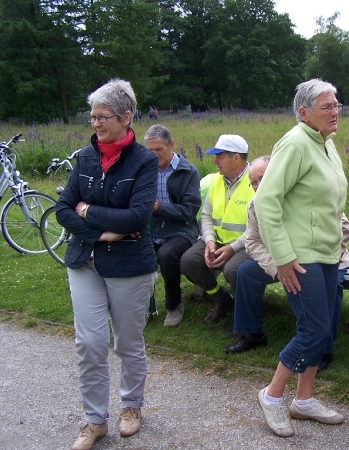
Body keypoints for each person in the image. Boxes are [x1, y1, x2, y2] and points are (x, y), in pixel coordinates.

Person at [55, 78, 158, 450]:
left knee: (128, 342)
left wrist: (89, 212)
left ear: (126, 116)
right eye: (93, 117)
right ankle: (94, 420)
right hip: (85, 260)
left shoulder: (145, 161)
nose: (96, 124)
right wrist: (100, 231)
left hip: (131, 265)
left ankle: (131, 406)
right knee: (90, 342)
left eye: (103, 117)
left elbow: (136, 218)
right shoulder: (84, 157)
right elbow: (64, 208)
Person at [254, 79, 347, 438]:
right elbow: (266, 201)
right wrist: (282, 256)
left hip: (326, 253)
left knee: (324, 330)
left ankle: (304, 400)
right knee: (313, 331)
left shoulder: (326, 143)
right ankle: (272, 395)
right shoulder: (294, 143)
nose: (335, 111)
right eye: (327, 106)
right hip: (299, 257)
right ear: (304, 112)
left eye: (337, 104)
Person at [223, 156, 349, 373]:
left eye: (262, 179)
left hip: (325, 259)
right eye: (253, 182)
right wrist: (278, 267)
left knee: (332, 288)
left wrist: (330, 252)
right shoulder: (255, 206)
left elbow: (343, 226)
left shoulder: (304, 194)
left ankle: (324, 349)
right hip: (282, 263)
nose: (258, 186)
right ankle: (252, 333)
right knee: (245, 271)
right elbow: (252, 241)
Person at [180, 134, 253, 323]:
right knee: (189, 261)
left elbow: (260, 226)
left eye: (219, 156)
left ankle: (243, 310)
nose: (214, 162)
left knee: (233, 270)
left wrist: (232, 248)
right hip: (218, 241)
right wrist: (210, 241)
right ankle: (221, 299)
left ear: (235, 158)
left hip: (248, 244)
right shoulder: (216, 181)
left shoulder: (256, 181)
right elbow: (205, 215)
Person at [144, 124, 201, 327]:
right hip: (150, 228)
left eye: (159, 149)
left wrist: (159, 208)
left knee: (166, 254)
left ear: (172, 145)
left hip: (182, 230)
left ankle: (174, 306)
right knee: (136, 251)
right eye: (149, 150)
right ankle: (144, 307)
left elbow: (189, 211)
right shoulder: (144, 170)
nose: (153, 155)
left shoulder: (188, 171)